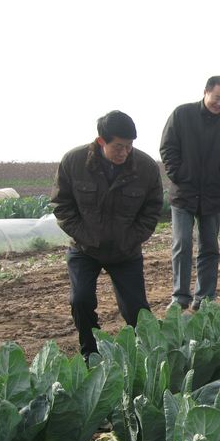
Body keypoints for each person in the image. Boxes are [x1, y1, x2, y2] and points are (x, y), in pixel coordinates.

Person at [51, 110, 163, 361]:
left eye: (129, 146)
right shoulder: (74, 162)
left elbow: (152, 209)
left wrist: (131, 238)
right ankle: (91, 353)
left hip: (125, 250)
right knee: (80, 300)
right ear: (101, 141)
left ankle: (145, 357)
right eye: (118, 147)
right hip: (85, 249)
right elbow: (62, 205)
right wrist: (86, 236)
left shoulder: (145, 167)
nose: (124, 152)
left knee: (137, 310)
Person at [160, 76, 220, 310]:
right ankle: (180, 297)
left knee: (209, 248)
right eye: (217, 98)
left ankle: (205, 298)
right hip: (183, 193)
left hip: (211, 195)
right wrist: (178, 174)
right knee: (182, 244)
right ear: (205, 92)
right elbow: (167, 147)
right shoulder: (182, 114)